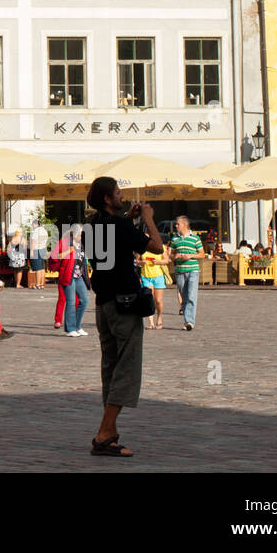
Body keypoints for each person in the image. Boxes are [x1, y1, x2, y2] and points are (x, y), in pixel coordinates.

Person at [86, 176, 162, 458]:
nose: (122, 196)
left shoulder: (92, 227)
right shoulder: (120, 226)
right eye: (117, 193)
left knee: (110, 365)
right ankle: (105, 432)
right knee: (126, 367)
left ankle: (110, 432)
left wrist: (128, 220)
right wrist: (148, 218)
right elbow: (157, 247)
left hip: (103, 304)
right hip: (124, 305)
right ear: (107, 199)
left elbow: (111, 245)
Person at [168, 215, 204, 331]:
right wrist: (175, 256)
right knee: (184, 296)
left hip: (193, 269)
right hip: (180, 270)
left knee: (192, 296)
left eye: (177, 224)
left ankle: (189, 321)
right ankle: (186, 319)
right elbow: (170, 255)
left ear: (184, 225)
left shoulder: (195, 238)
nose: (176, 226)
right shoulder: (175, 239)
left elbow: (202, 254)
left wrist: (190, 256)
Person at [61, 225, 90, 337]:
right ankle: (70, 328)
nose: (82, 235)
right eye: (81, 233)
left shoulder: (81, 245)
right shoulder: (66, 243)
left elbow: (83, 261)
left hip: (78, 276)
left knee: (84, 300)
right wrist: (68, 251)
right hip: (69, 276)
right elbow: (55, 257)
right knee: (71, 302)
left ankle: (77, 326)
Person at [138, 245, 168, 329]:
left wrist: (158, 262)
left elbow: (166, 260)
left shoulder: (161, 247)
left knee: (158, 300)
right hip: (146, 276)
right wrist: (141, 262)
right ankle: (151, 323)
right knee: (149, 299)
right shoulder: (141, 247)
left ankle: (159, 318)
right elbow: (137, 260)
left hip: (158, 276)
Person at [29, 219, 49, 289]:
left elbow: (34, 241)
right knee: (42, 267)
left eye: (33, 224)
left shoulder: (35, 231)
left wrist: (31, 251)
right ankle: (42, 284)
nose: (32, 226)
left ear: (35, 224)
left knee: (37, 268)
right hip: (43, 249)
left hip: (36, 249)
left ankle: (37, 284)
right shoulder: (44, 230)